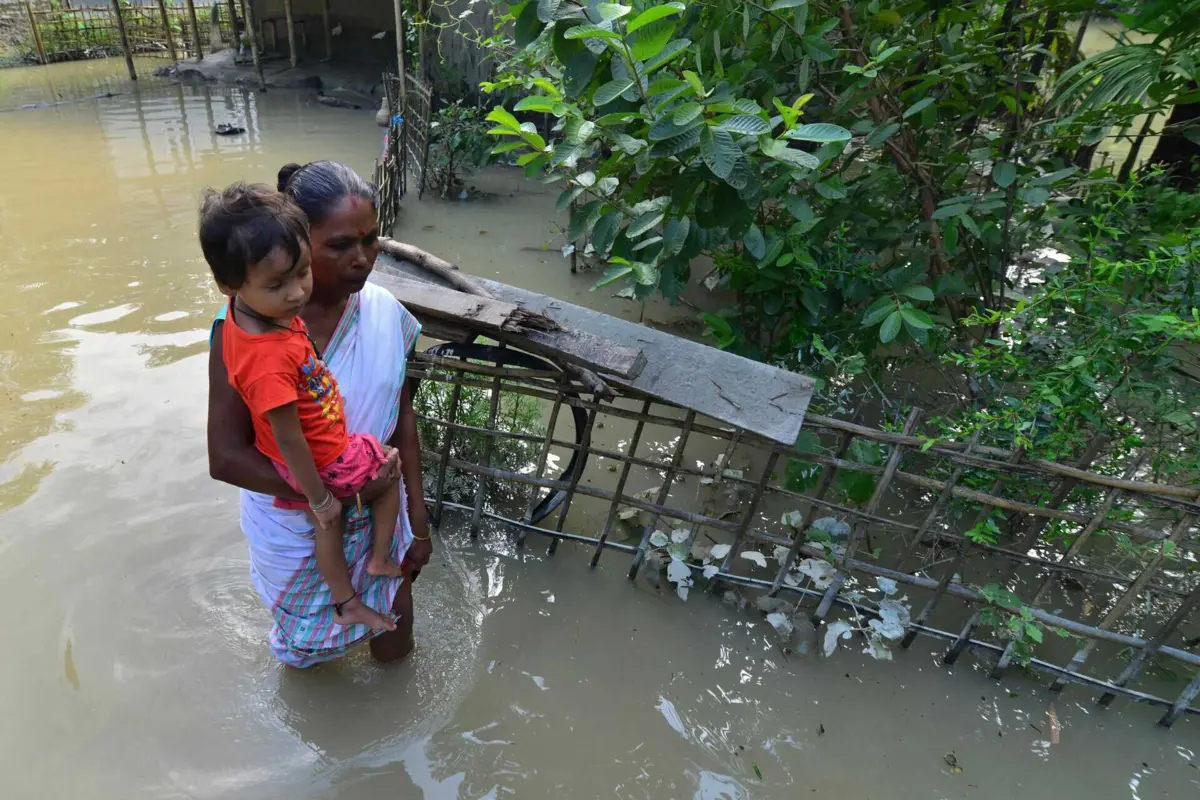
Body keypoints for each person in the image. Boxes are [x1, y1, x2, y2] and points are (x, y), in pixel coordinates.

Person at [207, 161, 431, 667]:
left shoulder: (385, 314)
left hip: (379, 511)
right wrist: (333, 495)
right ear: (301, 242)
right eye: (341, 246)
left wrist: (418, 521)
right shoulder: (244, 335)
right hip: (299, 522)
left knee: (397, 626)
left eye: (371, 240)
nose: (364, 258)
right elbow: (225, 457)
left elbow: (402, 422)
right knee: (306, 652)